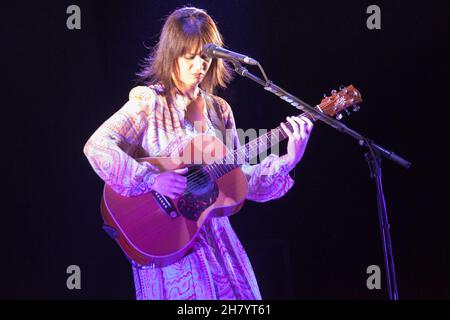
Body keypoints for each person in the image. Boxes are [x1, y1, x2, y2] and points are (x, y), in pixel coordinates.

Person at [83, 6, 313, 300]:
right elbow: (97, 146)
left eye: (205, 57)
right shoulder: (148, 103)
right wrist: (151, 179)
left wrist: (288, 160)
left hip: (219, 246)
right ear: (171, 55)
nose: (199, 66)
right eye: (188, 57)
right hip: (170, 248)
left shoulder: (219, 110)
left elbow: (240, 182)